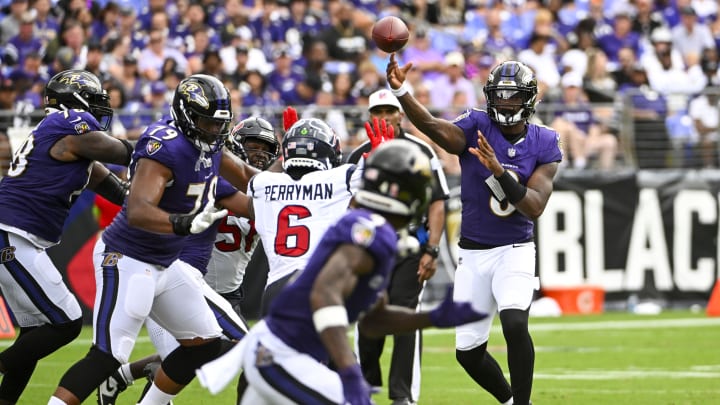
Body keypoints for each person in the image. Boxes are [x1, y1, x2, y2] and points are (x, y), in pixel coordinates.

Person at [48, 74, 258, 405]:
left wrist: (293, 195)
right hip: (128, 256)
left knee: (204, 343)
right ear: (188, 116)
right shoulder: (167, 146)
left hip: (166, 264)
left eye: (220, 124)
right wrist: (184, 223)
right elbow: (138, 210)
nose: (214, 130)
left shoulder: (211, 148)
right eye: (206, 122)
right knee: (108, 355)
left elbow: (248, 179)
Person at [237, 139, 488, 405]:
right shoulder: (367, 232)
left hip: (287, 350)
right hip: (283, 355)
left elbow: (374, 319)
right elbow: (323, 296)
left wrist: (433, 317)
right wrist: (348, 369)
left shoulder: (377, 231)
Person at [386, 56, 562, 405]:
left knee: (514, 324)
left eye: (512, 96)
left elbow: (535, 206)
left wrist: (499, 172)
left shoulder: (545, 141)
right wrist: (402, 91)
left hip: (515, 250)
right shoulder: (476, 125)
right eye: (499, 95)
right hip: (473, 254)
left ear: (528, 99)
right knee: (467, 353)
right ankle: (509, 400)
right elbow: (436, 128)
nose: (505, 103)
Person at [0, 70, 133, 404]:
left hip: (19, 236)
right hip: (11, 233)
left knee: (34, 333)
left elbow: (117, 190)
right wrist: (162, 149)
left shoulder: (69, 140)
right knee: (67, 322)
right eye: (95, 100)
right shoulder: (69, 123)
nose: (100, 108)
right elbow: (116, 152)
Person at [346, 89, 449, 405]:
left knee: (405, 313)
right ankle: (367, 385)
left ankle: (403, 395)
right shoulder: (357, 155)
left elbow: (438, 202)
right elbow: (347, 208)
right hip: (371, 249)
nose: (385, 117)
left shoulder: (421, 150)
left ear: (400, 114)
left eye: (390, 111)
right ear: (370, 117)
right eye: (378, 112)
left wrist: (431, 249)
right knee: (367, 318)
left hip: (409, 245)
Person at [251, 117, 364, 316]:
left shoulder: (263, 182)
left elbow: (261, 181)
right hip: (314, 284)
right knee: (333, 346)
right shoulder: (341, 179)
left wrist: (292, 143)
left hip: (274, 290)